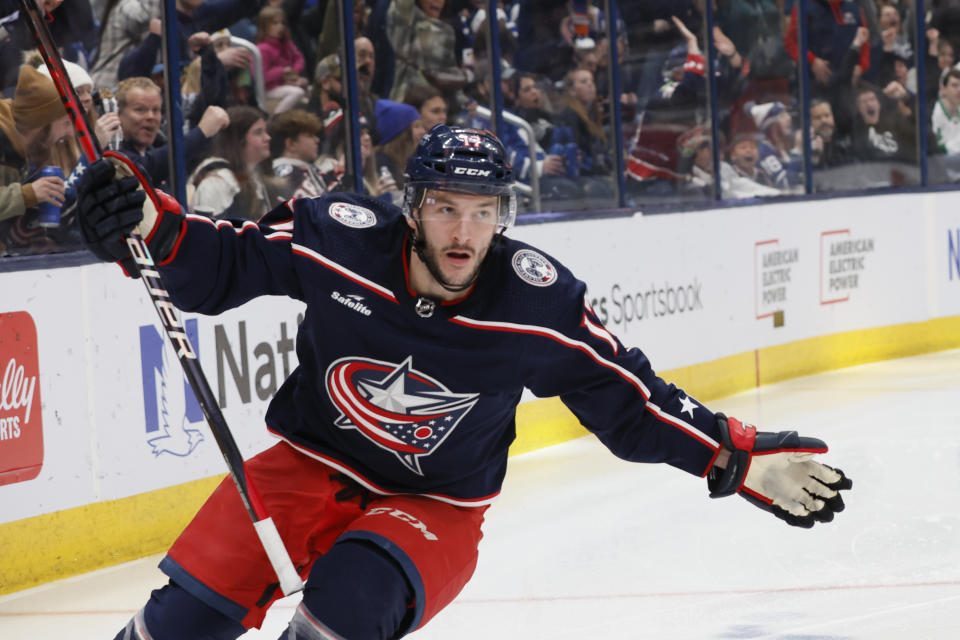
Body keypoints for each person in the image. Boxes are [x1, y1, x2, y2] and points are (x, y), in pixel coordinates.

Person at [75, 123, 852, 640]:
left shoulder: (537, 304)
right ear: (412, 206)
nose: (464, 231)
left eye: (484, 212)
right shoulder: (339, 241)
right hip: (306, 465)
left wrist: (731, 455)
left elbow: (630, 402)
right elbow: (223, 264)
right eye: (446, 208)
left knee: (344, 608)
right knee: (175, 626)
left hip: (434, 506)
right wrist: (146, 222)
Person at [115, 76, 230, 189]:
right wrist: (202, 132)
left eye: (156, 110)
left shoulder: (158, 147)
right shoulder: (113, 155)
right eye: (140, 109)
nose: (151, 116)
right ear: (118, 114)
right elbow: (145, 168)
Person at [187, 105, 272, 219]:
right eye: (258, 132)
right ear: (238, 139)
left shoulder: (252, 174)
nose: (267, 138)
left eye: (265, 131)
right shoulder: (216, 181)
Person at [256, 5, 309, 115]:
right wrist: (282, 71)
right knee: (297, 92)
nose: (280, 27)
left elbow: (299, 59)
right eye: (275, 23)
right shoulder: (262, 49)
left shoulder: (287, 44)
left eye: (282, 23)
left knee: (310, 89)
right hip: (270, 89)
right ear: (264, 26)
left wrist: (294, 75)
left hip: (287, 83)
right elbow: (262, 76)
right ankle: (275, 118)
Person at [268, 108, 329, 201]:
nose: (317, 140)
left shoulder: (308, 170)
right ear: (291, 144)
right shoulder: (284, 174)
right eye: (310, 136)